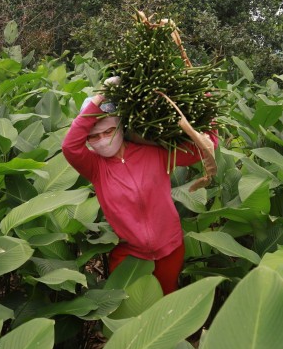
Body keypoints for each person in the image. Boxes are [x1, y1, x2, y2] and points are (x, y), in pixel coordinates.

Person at [61, 78, 218, 294]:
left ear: (120, 127)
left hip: (170, 250)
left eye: (108, 132)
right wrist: (100, 98)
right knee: (130, 312)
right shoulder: (95, 167)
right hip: (129, 255)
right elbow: (69, 146)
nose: (103, 140)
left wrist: (207, 107)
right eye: (94, 136)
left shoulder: (153, 152)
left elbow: (200, 150)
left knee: (165, 302)